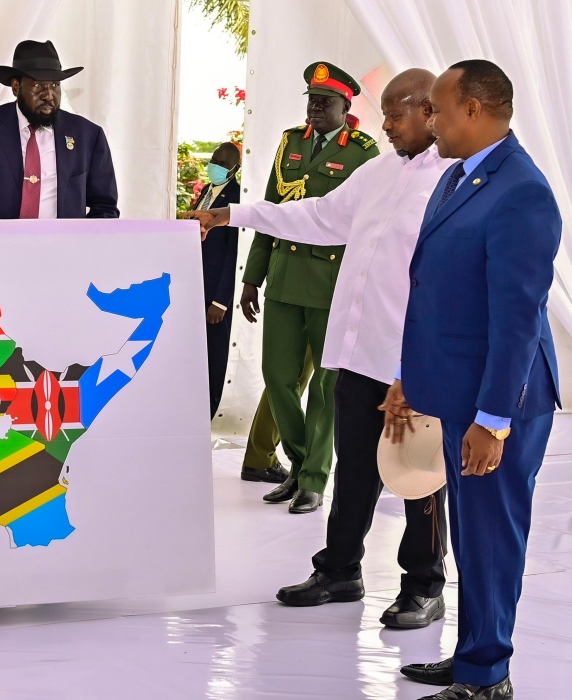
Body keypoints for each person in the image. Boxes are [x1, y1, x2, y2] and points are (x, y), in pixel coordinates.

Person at [187, 69, 455, 628]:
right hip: (358, 355)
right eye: (382, 112)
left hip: (413, 361)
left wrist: (420, 366)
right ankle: (339, 571)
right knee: (355, 467)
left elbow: (448, 283)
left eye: (396, 112)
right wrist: (231, 213)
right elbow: (316, 216)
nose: (384, 125)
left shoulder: (451, 182)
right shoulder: (378, 171)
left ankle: (425, 585)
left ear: (432, 112)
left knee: (417, 475)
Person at [382, 60, 560, 700]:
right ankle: (470, 656)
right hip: (455, 386)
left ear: (475, 111)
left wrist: (493, 421)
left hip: (497, 401)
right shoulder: (460, 177)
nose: (430, 120)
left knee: (491, 540)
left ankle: (487, 677)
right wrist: (407, 376)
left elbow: (516, 320)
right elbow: (437, 293)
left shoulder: (522, 192)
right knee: (472, 538)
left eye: (438, 109)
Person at [239, 61, 380, 513]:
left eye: (325, 102)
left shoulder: (363, 152)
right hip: (283, 277)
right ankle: (301, 467)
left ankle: (315, 479)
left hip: (330, 283)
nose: (315, 109)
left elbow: (368, 226)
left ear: (346, 106)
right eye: (312, 100)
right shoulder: (290, 142)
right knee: (278, 378)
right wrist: (251, 277)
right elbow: (270, 211)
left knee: (325, 387)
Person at [0, 39, 118, 219]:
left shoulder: (87, 135)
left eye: (55, 85)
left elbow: (105, 207)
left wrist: (81, 244)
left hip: (63, 245)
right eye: (38, 85)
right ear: (16, 87)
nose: (48, 95)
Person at [196, 142, 241, 418]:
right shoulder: (205, 191)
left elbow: (235, 252)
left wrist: (221, 301)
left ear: (235, 169)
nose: (217, 167)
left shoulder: (236, 197)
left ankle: (211, 409)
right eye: (215, 160)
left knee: (215, 354)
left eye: (224, 164)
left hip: (215, 295)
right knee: (197, 353)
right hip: (196, 287)